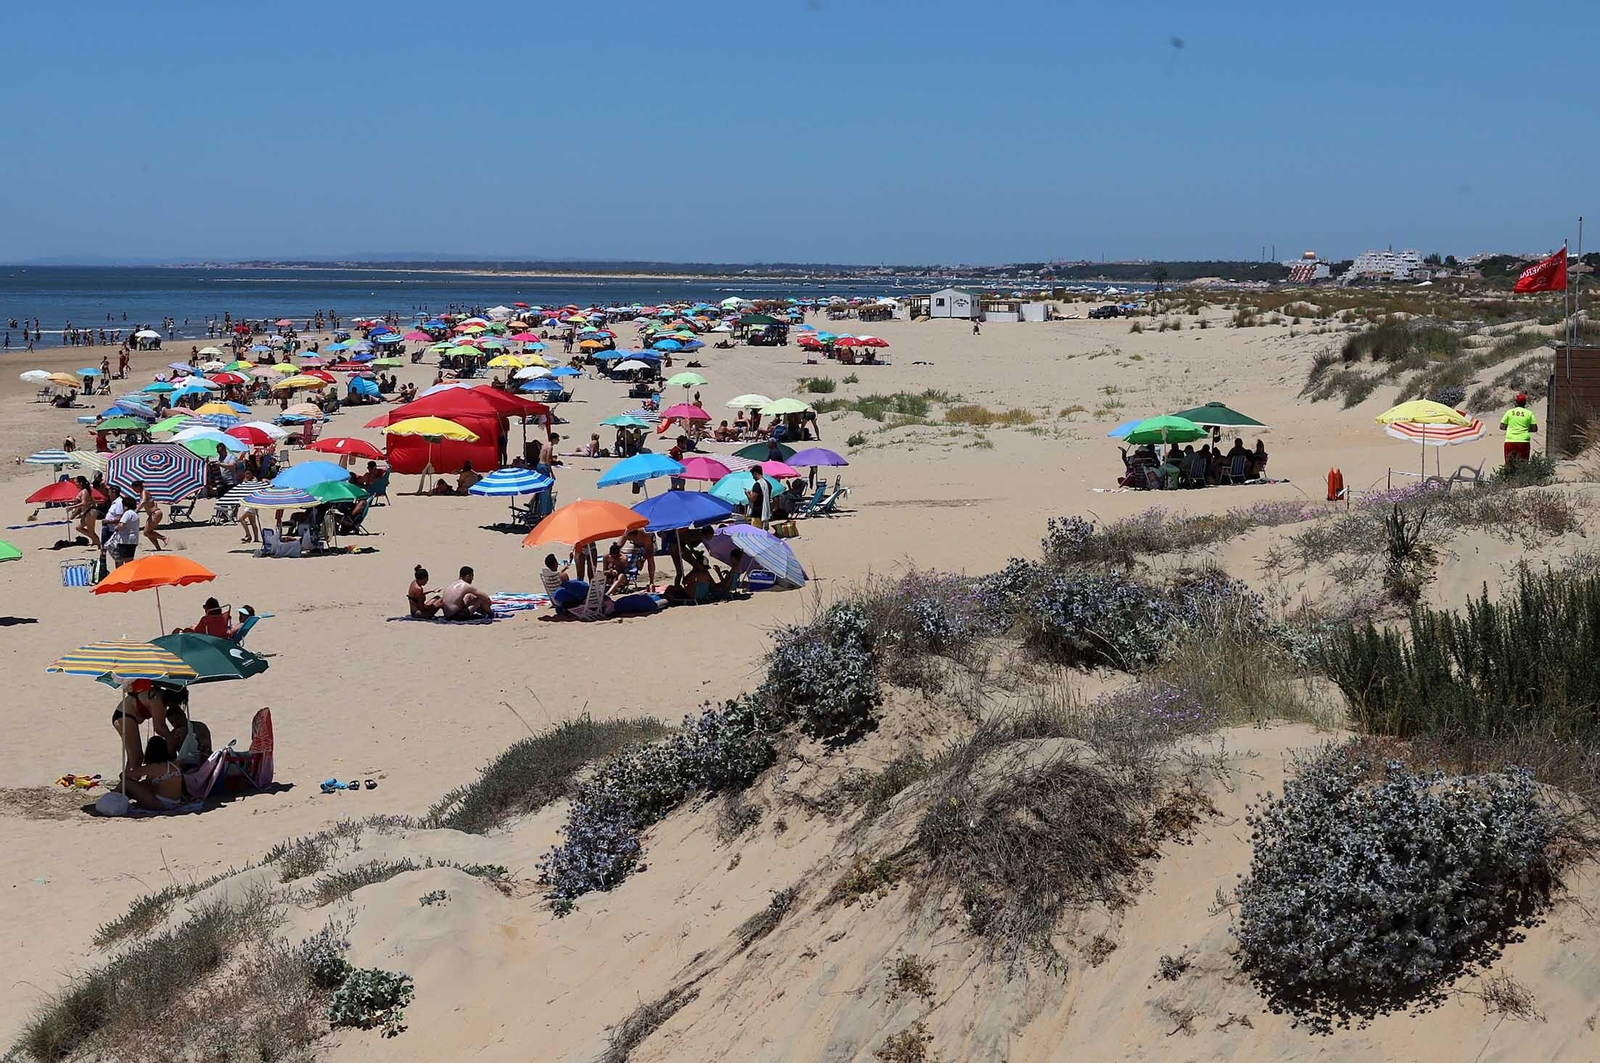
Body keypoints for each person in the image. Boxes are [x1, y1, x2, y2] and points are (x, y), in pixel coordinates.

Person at [112, 680, 171, 775]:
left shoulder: (159, 696)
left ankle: (128, 780)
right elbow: (159, 727)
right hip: (123, 716)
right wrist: (172, 740)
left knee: (133, 756)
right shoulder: (158, 699)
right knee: (137, 757)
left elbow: (161, 726)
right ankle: (129, 782)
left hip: (128, 717)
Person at [123, 735, 185, 810]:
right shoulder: (174, 764)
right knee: (145, 783)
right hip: (175, 802)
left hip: (161, 803)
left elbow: (124, 776)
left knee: (127, 782)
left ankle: (112, 798)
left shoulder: (152, 768)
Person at [1500, 393, 1538, 467]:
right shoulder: (1529, 413)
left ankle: (1509, 478)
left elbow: (1502, 426)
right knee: (1523, 464)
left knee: (1509, 463)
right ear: (1525, 403)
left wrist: (1512, 426)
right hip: (1524, 441)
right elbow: (1534, 428)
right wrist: (1525, 428)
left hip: (1510, 440)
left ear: (1516, 402)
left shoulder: (1509, 412)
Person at [134, 479, 168, 551]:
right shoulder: (143, 493)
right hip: (154, 514)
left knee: (146, 532)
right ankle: (158, 548)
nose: (134, 491)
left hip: (155, 513)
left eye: (134, 489)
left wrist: (136, 511)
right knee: (149, 532)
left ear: (138, 487)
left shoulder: (144, 492)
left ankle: (164, 538)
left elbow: (143, 502)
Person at [111, 491, 141, 568]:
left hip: (125, 540)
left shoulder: (127, 513)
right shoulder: (135, 514)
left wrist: (116, 527)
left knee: (121, 560)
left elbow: (121, 525)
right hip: (133, 540)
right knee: (129, 560)